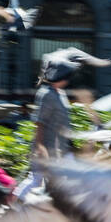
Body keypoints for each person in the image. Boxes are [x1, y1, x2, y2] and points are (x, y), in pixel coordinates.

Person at [16, 56, 75, 199]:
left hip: (59, 148)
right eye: (67, 76)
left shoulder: (58, 93)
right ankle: (13, 206)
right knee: (36, 180)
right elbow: (40, 122)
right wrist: (40, 147)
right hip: (47, 147)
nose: (69, 79)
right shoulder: (47, 94)